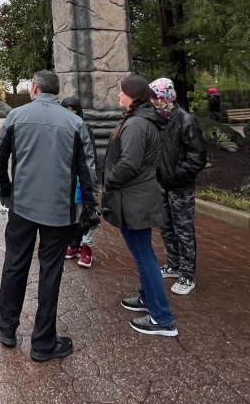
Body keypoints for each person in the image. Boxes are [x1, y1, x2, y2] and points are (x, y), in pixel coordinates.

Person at [0, 70, 99, 361]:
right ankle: (43, 343)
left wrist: (6, 192)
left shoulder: (16, 117)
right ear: (56, 91)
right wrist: (90, 210)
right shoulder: (75, 123)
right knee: (51, 272)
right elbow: (88, 172)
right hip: (59, 211)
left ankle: (6, 328)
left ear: (35, 88)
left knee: (15, 264)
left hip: (22, 207)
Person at [103, 75, 178, 337]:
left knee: (144, 255)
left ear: (133, 95)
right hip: (139, 198)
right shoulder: (142, 120)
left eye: (121, 91)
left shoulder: (136, 124)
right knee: (143, 253)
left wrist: (108, 183)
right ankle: (147, 299)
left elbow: (129, 164)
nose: (118, 96)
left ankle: (162, 319)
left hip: (133, 200)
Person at [150, 78, 207, 296]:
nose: (153, 101)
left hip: (180, 187)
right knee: (165, 226)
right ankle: (172, 264)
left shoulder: (186, 121)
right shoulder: (158, 120)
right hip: (162, 184)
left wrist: (176, 175)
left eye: (155, 96)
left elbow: (197, 158)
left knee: (184, 229)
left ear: (166, 96)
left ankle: (187, 274)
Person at [60, 96, 98, 268]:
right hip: (66, 178)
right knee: (72, 214)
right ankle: (74, 244)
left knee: (85, 212)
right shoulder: (59, 128)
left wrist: (90, 180)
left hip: (81, 179)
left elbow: (91, 156)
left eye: (73, 109)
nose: (71, 113)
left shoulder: (85, 129)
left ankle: (86, 246)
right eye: (67, 109)